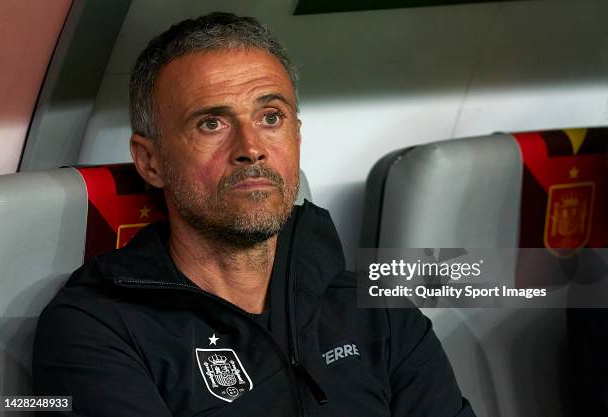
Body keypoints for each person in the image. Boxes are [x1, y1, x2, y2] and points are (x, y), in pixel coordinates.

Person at [33, 12, 475, 417]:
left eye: (270, 117)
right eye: (212, 123)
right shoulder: (97, 329)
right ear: (150, 161)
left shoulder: (380, 311)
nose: (250, 148)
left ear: (296, 137)